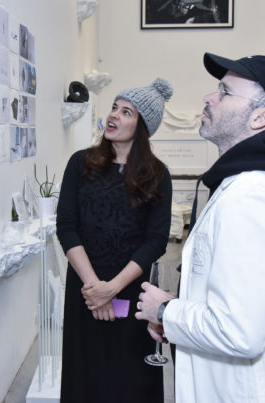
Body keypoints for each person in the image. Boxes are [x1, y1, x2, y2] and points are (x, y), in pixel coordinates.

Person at [136, 53, 265, 402]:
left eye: (224, 91)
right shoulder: (248, 186)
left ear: (261, 116)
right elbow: (235, 300)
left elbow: (240, 331)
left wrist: (164, 309)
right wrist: (178, 314)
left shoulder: (253, 198)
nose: (209, 97)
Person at [56, 78, 173, 403]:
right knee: (87, 375)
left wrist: (114, 288)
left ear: (143, 126)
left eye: (126, 112)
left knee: (128, 381)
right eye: (114, 108)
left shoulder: (158, 175)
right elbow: (67, 227)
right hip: (86, 290)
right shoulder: (81, 163)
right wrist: (97, 288)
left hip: (133, 295)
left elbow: (155, 241)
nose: (114, 116)